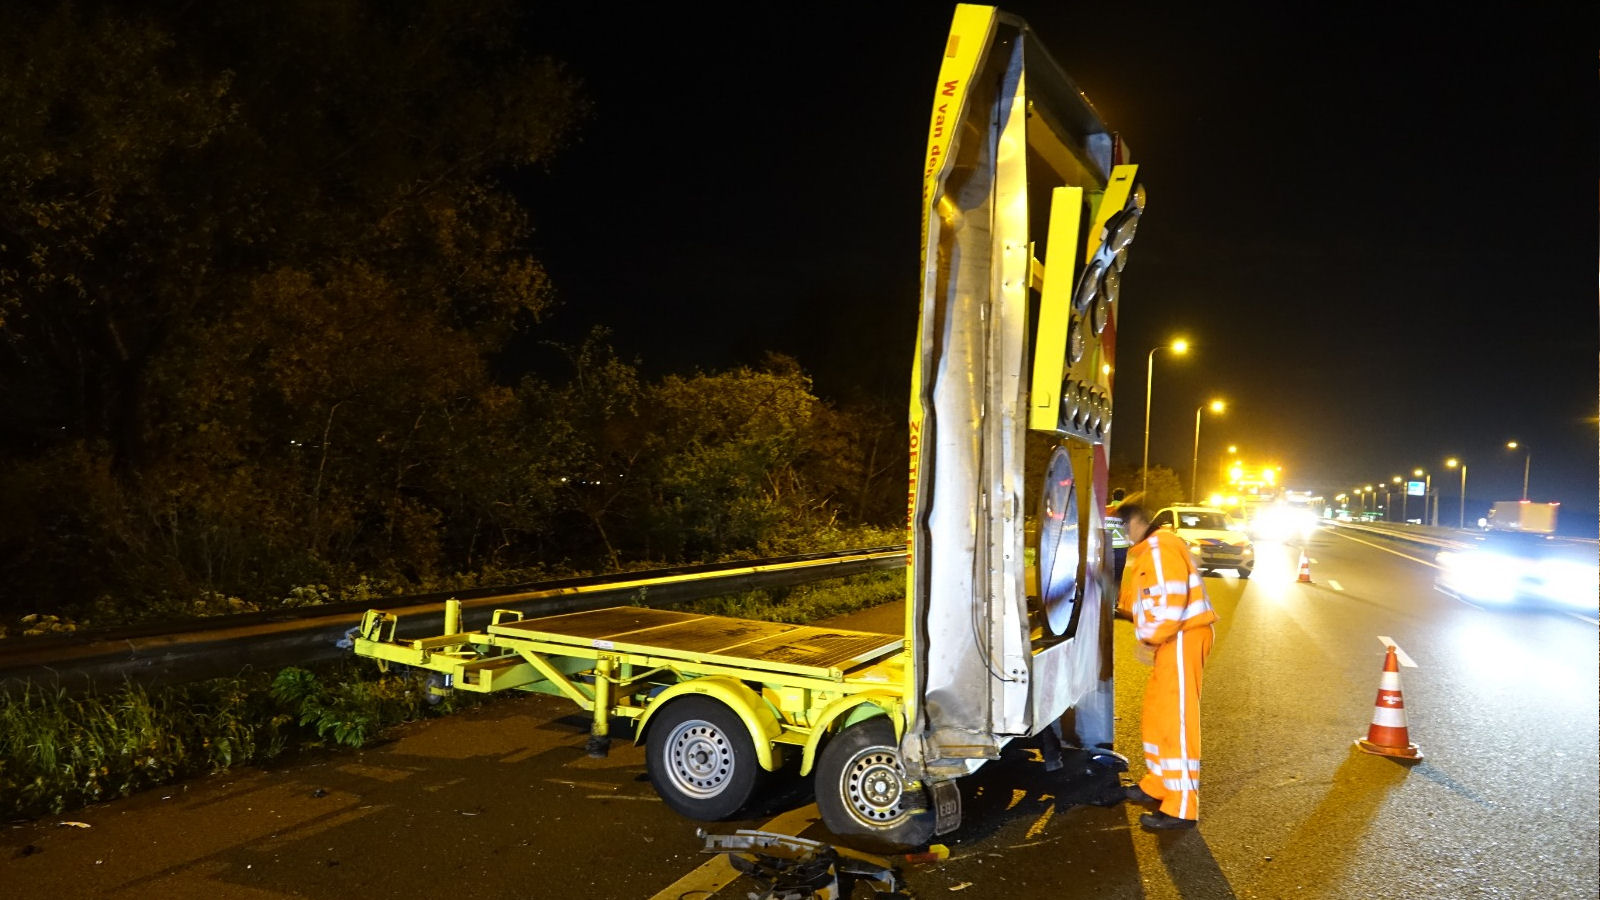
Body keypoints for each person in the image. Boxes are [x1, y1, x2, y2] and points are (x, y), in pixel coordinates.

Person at [1113, 503, 1217, 830]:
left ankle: (1183, 806)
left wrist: (1149, 639)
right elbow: (1147, 598)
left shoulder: (1160, 550)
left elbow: (1172, 602)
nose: (1121, 534)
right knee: (1158, 714)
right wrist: (1116, 598)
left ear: (1140, 522)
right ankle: (1159, 784)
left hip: (1183, 638)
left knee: (1177, 720)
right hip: (1174, 640)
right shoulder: (1147, 553)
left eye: (1123, 526)